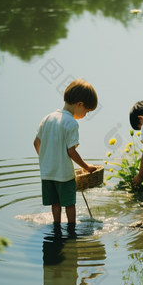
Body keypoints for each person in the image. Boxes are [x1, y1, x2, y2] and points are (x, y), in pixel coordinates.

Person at [33, 79, 98, 224]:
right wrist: (86, 167)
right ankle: (71, 229)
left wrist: (47, 159)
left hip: (47, 172)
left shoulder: (47, 118)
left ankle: (56, 226)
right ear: (79, 104)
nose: (85, 115)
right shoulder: (71, 123)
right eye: (86, 111)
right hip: (64, 174)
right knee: (69, 203)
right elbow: (71, 151)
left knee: (55, 203)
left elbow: (36, 142)